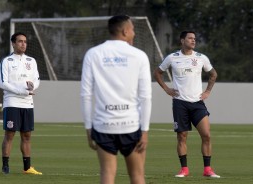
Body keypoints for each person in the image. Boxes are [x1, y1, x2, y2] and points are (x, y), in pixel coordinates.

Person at [80, 15, 152, 184]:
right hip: (131, 125)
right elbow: (146, 96)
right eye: (133, 29)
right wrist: (145, 130)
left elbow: (86, 94)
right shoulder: (139, 56)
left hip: (103, 125)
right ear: (125, 30)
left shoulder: (93, 54)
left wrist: (88, 128)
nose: (134, 33)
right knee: (137, 176)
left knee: (107, 174)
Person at [154, 30, 220, 178]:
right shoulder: (172, 58)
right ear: (182, 40)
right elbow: (157, 72)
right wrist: (166, 89)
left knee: (206, 135)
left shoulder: (201, 58)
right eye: (190, 38)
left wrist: (207, 91)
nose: (193, 40)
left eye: (194, 39)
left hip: (197, 103)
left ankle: (207, 170)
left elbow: (213, 74)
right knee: (182, 136)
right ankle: (184, 169)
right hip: (180, 103)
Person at [0, 32, 42, 175]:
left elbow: (37, 80)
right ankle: (5, 166)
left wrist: (32, 87)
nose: (23, 44)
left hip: (27, 103)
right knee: (9, 134)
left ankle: (27, 168)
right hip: (12, 102)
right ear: (13, 43)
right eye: (20, 41)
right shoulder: (7, 61)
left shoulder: (31, 61)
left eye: (25, 41)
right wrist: (20, 90)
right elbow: (3, 83)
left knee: (27, 135)